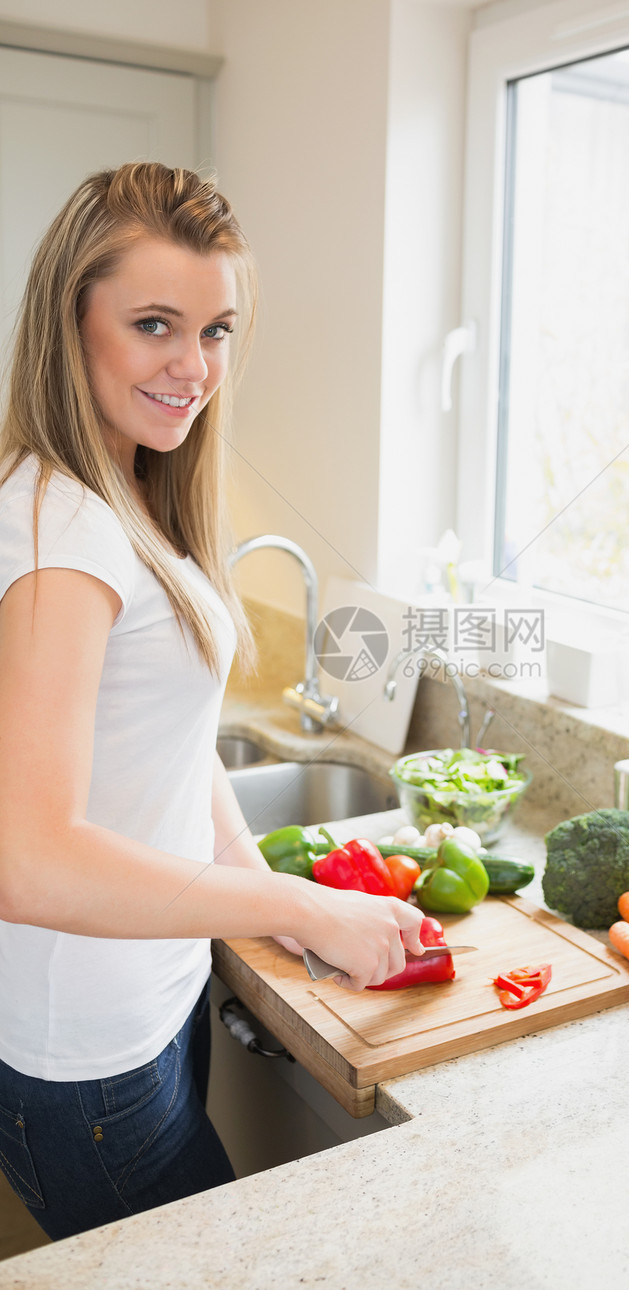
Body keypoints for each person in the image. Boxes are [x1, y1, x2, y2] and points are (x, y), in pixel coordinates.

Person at [0, 162, 424, 1242]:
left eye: (218, 329)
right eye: (153, 323)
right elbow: (27, 858)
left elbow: (175, 747)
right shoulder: (66, 532)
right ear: (70, 321)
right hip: (88, 1055)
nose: (194, 368)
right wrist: (302, 908)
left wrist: (266, 888)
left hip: (147, 1001)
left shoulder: (121, 490)